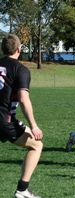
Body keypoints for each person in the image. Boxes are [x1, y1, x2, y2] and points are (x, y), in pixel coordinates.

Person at [0, 34, 43, 198]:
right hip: (4, 121)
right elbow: (24, 99)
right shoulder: (20, 69)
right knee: (36, 146)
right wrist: (34, 125)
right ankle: (22, 190)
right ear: (19, 49)